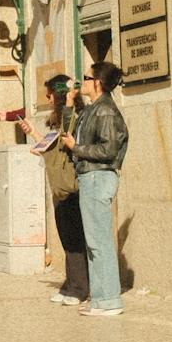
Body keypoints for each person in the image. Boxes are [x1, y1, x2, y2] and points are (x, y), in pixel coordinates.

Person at [60, 60, 129, 317]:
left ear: (98, 82)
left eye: (87, 79)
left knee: (99, 242)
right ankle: (100, 299)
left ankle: (109, 300)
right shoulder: (93, 109)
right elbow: (71, 132)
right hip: (89, 177)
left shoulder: (106, 111)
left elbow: (108, 149)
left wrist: (76, 149)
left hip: (99, 177)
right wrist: (69, 103)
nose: (83, 82)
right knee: (94, 242)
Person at [20, 74, 88, 307]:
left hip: (70, 187)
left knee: (74, 239)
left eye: (50, 94)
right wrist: (32, 133)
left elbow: (68, 132)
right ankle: (70, 284)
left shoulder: (72, 118)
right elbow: (50, 149)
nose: (47, 99)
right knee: (67, 240)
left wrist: (69, 101)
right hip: (59, 187)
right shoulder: (57, 122)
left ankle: (79, 288)